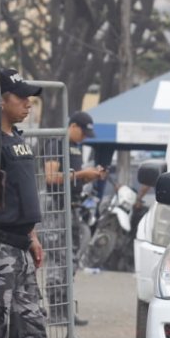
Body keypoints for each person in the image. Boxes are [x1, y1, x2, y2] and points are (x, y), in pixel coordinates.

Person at [0, 68, 98, 338]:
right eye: (20, 98)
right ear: (1, 100)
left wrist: (32, 235)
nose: (28, 104)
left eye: (29, 98)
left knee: (32, 326)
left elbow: (21, 193)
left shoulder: (15, 138)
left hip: (19, 245)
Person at [42, 111, 107, 325]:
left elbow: (72, 180)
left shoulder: (75, 147)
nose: (85, 137)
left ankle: (66, 311)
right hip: (56, 208)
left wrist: (91, 176)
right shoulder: (56, 143)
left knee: (70, 260)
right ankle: (56, 312)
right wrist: (81, 175)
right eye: (84, 132)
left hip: (72, 208)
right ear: (73, 126)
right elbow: (50, 177)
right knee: (57, 259)